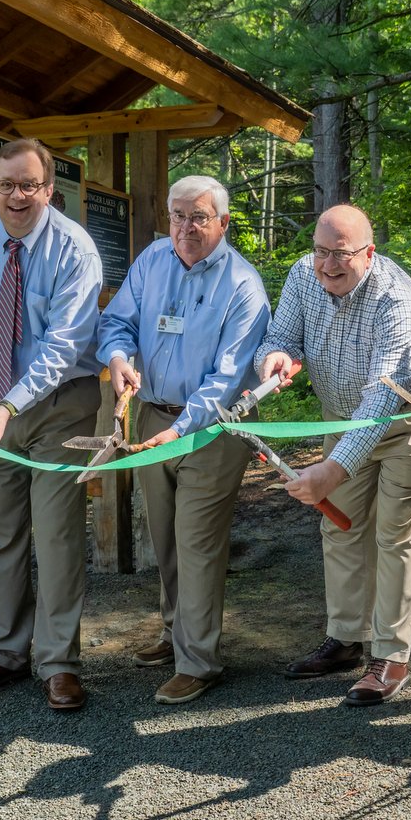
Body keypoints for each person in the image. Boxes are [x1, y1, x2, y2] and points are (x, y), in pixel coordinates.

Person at [255, 204, 411, 707]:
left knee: (396, 534)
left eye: (340, 255)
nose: (327, 265)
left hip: (408, 416)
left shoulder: (398, 302)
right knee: (339, 524)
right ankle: (346, 639)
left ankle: (391, 656)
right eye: (321, 252)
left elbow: (382, 398)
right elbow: (282, 336)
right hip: (345, 419)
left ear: (368, 253)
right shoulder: (305, 273)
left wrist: (331, 469)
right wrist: (275, 357)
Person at [0, 138, 103, 711]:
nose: (16, 196)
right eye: (6, 185)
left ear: (49, 189)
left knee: (56, 536)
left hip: (59, 406)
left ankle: (59, 664)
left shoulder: (74, 249)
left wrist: (12, 405)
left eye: (28, 185)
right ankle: (5, 653)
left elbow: (65, 346)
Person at [99, 175, 270, 705]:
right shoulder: (151, 260)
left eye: (198, 217)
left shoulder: (244, 286)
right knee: (166, 536)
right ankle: (176, 633)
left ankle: (199, 661)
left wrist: (179, 429)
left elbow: (227, 378)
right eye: (177, 216)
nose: (186, 228)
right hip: (153, 418)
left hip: (212, 430)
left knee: (197, 541)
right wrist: (121, 360)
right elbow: (117, 322)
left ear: (222, 222)